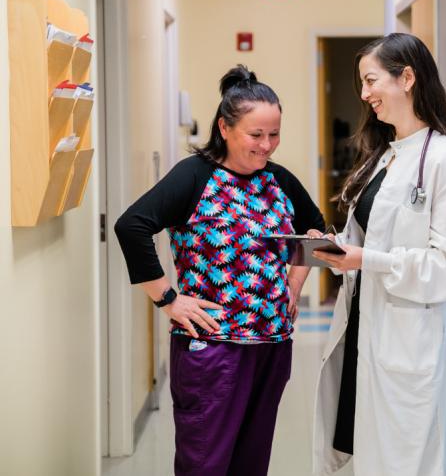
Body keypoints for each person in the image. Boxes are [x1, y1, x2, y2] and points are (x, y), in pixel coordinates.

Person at [114, 65, 324, 476]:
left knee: (252, 462)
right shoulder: (196, 176)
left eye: (274, 134)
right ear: (225, 128)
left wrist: (293, 288)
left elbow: (314, 228)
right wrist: (168, 299)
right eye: (256, 134)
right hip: (213, 351)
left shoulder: (279, 180)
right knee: (205, 465)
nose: (267, 145)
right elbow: (132, 225)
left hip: (272, 345)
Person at [309, 33, 446, 476]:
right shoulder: (386, 156)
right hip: (365, 332)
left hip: (411, 344)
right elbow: (377, 235)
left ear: (407, 77)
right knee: (369, 458)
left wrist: (365, 259)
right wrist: (336, 244)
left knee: (406, 462)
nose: (365, 93)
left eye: (371, 81)